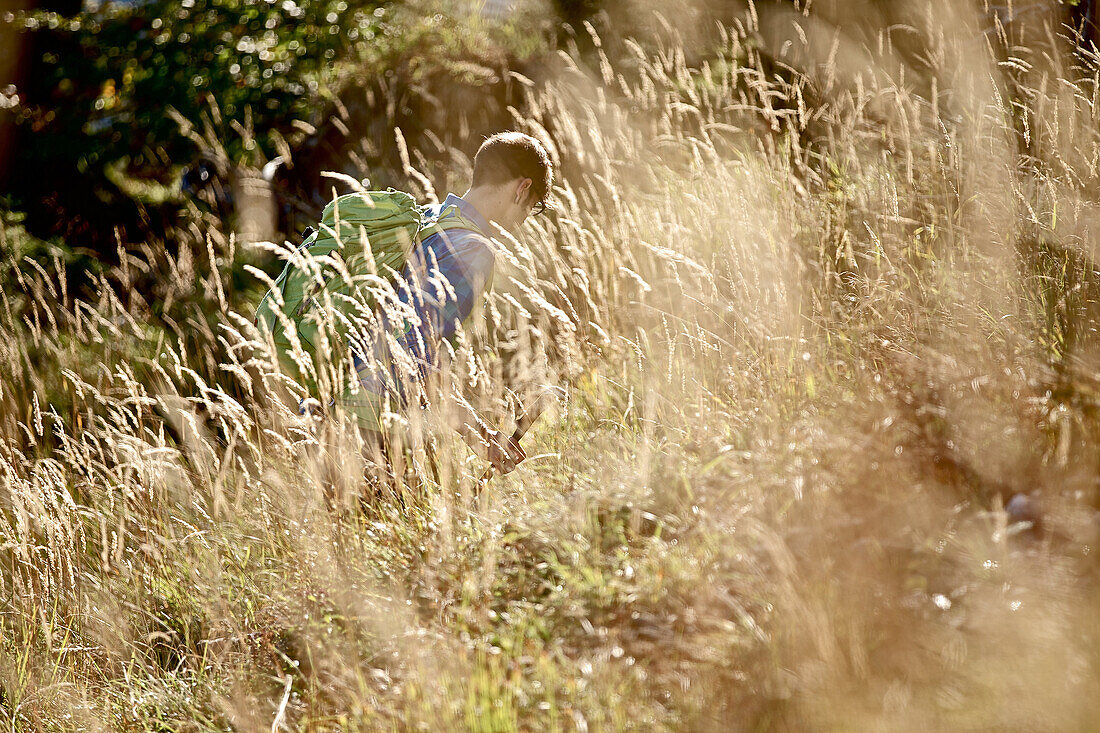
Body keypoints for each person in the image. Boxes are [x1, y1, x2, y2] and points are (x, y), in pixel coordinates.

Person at [335, 131, 553, 477]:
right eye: (532, 207)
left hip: (326, 403)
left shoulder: (427, 217)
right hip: (371, 427)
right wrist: (482, 437)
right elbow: (413, 357)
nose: (524, 220)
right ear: (521, 188)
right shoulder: (473, 251)